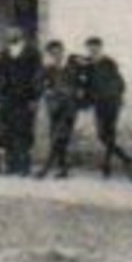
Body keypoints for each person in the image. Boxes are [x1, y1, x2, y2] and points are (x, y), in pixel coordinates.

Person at [0, 26, 42, 176]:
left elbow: (37, 76)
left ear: (21, 34)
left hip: (25, 97)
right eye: (9, 33)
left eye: (15, 32)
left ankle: (24, 165)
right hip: (7, 97)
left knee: (24, 130)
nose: (11, 35)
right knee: (8, 129)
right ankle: (11, 164)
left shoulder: (32, 52)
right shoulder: (4, 53)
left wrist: (34, 98)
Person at [37, 40, 91, 179]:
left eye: (59, 51)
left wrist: (81, 91)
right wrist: (47, 90)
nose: (56, 55)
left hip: (70, 106)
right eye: (53, 53)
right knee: (59, 137)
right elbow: (37, 83)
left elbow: (88, 66)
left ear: (63, 51)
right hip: (54, 107)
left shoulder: (73, 64)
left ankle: (45, 168)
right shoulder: (48, 69)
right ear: (49, 54)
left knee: (58, 136)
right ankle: (63, 169)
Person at [84, 37, 132, 178]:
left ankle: (106, 165)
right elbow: (87, 84)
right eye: (90, 48)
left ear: (100, 48)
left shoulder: (109, 63)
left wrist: (115, 96)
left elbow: (119, 82)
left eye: (95, 47)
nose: (92, 50)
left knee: (110, 133)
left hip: (111, 102)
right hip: (98, 103)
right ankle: (125, 158)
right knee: (101, 134)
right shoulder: (88, 65)